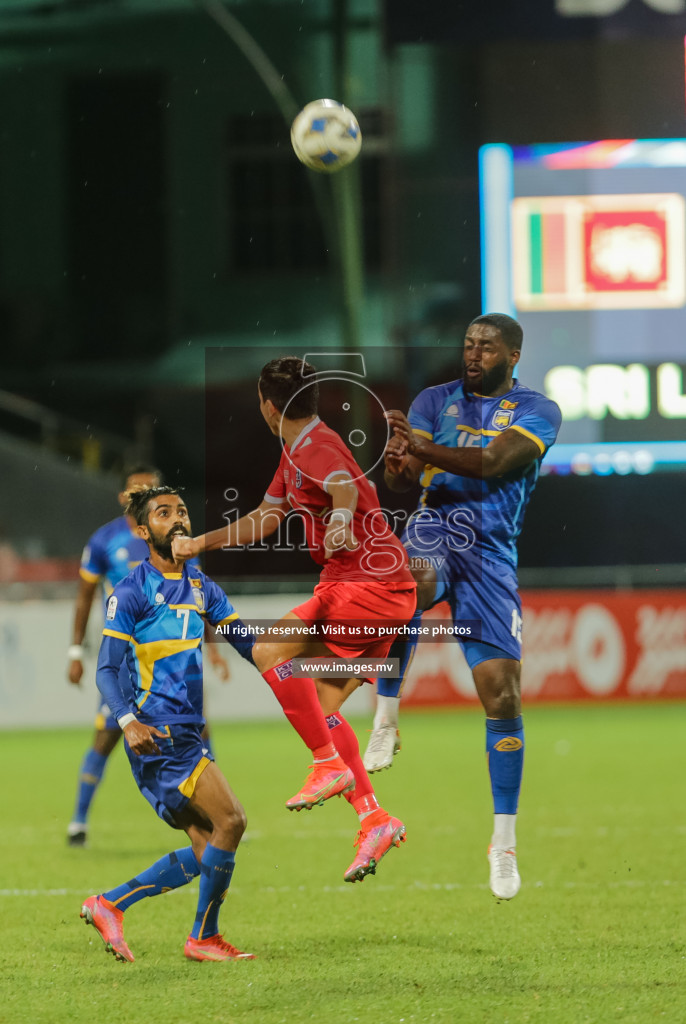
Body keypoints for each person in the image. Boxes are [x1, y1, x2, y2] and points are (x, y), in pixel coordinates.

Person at [172, 356, 417, 883]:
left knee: (268, 651)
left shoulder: (316, 447)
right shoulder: (302, 444)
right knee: (320, 710)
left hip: (362, 588)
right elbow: (267, 518)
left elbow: (342, 487)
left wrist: (341, 520)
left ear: (266, 404)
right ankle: (373, 816)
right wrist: (201, 543)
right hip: (380, 587)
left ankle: (328, 766)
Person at [362, 313, 561, 901]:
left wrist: (422, 449)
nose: (473, 353)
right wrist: (401, 465)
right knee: (411, 583)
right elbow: (407, 481)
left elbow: (498, 463)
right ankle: (386, 717)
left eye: (487, 346)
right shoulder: (434, 399)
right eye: (468, 344)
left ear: (513, 355)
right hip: (437, 528)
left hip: (493, 555)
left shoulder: (539, 411)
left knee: (502, 693)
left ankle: (503, 844)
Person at [80, 486, 256, 963]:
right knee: (232, 820)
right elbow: (105, 669)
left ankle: (109, 903)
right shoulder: (132, 591)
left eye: (182, 510)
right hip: (158, 736)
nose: (178, 519)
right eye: (163, 514)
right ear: (143, 531)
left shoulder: (200, 586)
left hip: (186, 733)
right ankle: (203, 938)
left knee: (208, 851)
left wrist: (315, 659)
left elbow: (252, 645)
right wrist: (127, 720)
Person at [66, 466, 229, 847]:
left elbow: (199, 596)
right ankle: (78, 820)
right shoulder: (105, 540)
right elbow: (85, 597)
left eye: (149, 488)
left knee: (198, 727)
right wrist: (76, 650)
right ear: (123, 495)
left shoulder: (178, 542)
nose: (141, 493)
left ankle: (216, 812)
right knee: (107, 735)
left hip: (173, 657)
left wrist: (216, 650)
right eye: (135, 488)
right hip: (128, 659)